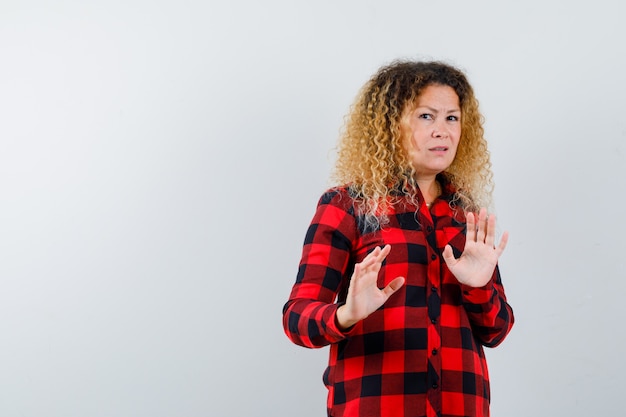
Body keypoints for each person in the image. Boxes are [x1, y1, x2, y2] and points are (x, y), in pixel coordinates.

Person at [282, 60, 514, 417]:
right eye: (426, 116)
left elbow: (496, 332)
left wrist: (479, 286)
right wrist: (345, 314)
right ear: (390, 125)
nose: (442, 131)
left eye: (452, 118)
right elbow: (297, 318)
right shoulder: (347, 206)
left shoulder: (464, 215)